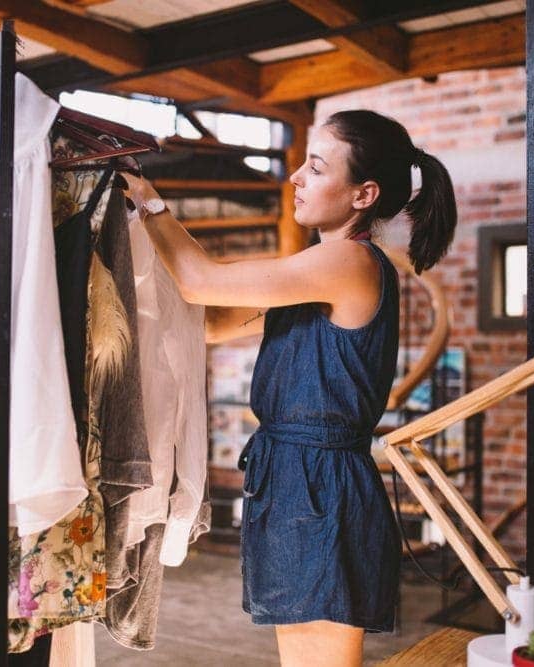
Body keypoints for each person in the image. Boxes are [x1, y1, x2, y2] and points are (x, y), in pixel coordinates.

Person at [122, 109, 457, 667]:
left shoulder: (348, 262)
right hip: (292, 477)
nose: (295, 178)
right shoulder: (316, 266)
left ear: (363, 194)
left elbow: (201, 280)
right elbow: (211, 323)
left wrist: (149, 202)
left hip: (319, 484)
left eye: (317, 168)